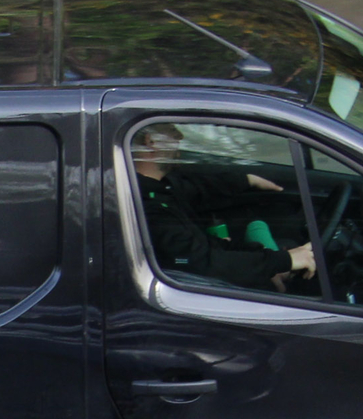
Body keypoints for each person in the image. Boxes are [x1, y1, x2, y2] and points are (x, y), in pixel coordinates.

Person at [132, 123, 318, 294]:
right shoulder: (146, 206)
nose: (180, 137)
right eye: (172, 131)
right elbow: (201, 263)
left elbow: (198, 194)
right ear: (152, 141)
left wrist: (273, 260)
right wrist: (283, 260)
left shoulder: (162, 189)